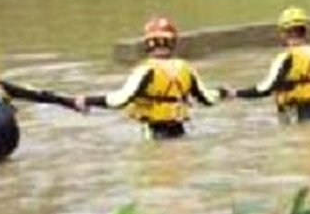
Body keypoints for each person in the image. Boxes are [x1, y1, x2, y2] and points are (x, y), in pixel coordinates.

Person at [81, 17, 228, 140]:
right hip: (180, 132)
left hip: (153, 134)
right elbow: (208, 99)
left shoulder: (145, 70)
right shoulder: (186, 69)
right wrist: (224, 93)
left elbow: (119, 100)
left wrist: (87, 100)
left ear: (148, 43)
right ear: (173, 43)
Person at [232, 7, 310, 122]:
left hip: (298, 117)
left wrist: (234, 93)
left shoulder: (286, 57)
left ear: (283, 33)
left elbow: (266, 89)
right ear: (305, 31)